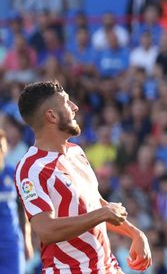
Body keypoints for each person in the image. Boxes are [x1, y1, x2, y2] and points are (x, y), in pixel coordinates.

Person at [14, 81, 152, 274]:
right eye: (67, 102)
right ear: (51, 116)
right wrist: (101, 215)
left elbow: (95, 205)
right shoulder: (31, 168)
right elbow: (46, 230)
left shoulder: (76, 152)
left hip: (107, 268)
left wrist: (135, 234)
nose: (75, 107)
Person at [1, 128, 33, 274]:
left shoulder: (14, 173)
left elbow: (23, 209)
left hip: (11, 242)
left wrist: (27, 240)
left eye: (1, 146)